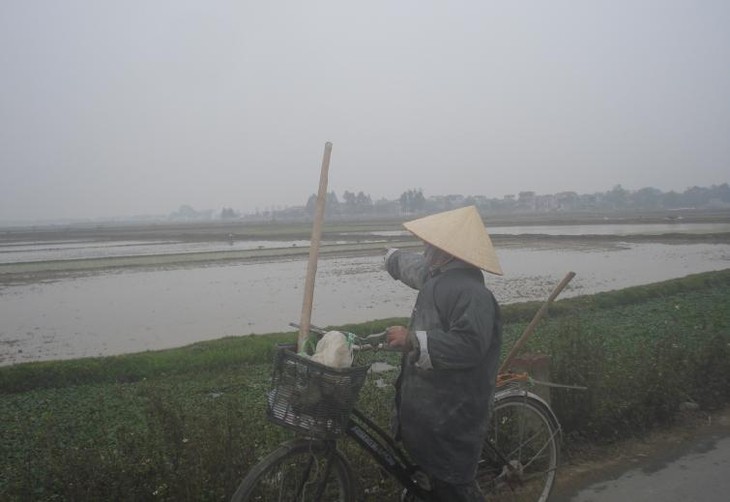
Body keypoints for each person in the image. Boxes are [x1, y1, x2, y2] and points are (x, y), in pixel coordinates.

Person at [384, 205, 503, 502]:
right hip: (433, 411)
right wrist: (391, 258)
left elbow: (469, 345)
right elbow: (417, 269)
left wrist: (412, 340)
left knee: (452, 486)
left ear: (449, 252)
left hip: (453, 412)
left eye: (432, 244)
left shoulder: (473, 294)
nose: (426, 248)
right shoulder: (439, 277)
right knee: (433, 478)